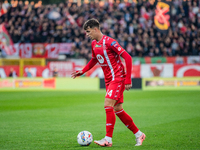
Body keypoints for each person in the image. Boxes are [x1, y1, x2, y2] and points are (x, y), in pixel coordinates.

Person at [71, 18, 145, 147]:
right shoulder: (94, 44)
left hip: (118, 77)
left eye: (88, 31)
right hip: (109, 80)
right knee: (118, 109)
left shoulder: (110, 42)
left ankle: (108, 139)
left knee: (108, 104)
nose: (87, 34)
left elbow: (127, 57)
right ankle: (139, 134)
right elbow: (94, 59)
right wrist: (83, 71)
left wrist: (127, 79)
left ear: (95, 29)